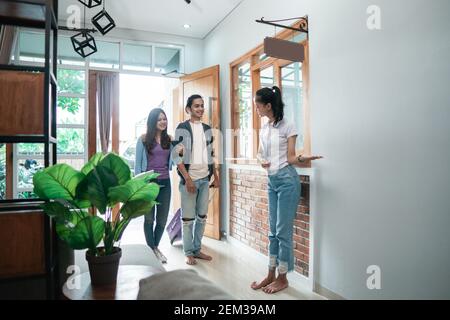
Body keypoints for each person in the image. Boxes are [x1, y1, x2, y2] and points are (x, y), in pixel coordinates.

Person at [250, 86, 323, 294]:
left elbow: (291, 158)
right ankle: (271, 274)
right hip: (271, 181)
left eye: (258, 105)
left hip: (287, 180)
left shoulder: (287, 126)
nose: (256, 108)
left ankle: (283, 278)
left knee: (282, 231)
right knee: (272, 230)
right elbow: (258, 154)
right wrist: (261, 160)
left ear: (268, 105)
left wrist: (304, 158)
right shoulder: (264, 129)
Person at [172, 94, 220, 265]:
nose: (200, 109)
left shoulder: (207, 129)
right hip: (189, 181)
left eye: (202, 106)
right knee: (188, 219)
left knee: (202, 217)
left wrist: (216, 176)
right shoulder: (182, 128)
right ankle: (188, 252)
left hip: (204, 180)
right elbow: (175, 157)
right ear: (188, 109)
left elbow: (210, 154)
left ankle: (197, 249)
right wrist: (188, 179)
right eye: (196, 106)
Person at [135, 108, 175, 264]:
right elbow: (138, 166)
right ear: (152, 121)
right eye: (159, 119)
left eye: (164, 119)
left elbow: (173, 162)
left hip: (165, 182)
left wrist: (180, 152)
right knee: (149, 219)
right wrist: (139, 186)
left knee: (162, 220)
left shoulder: (169, 140)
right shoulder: (143, 139)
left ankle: (154, 248)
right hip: (148, 183)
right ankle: (153, 250)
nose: (163, 122)